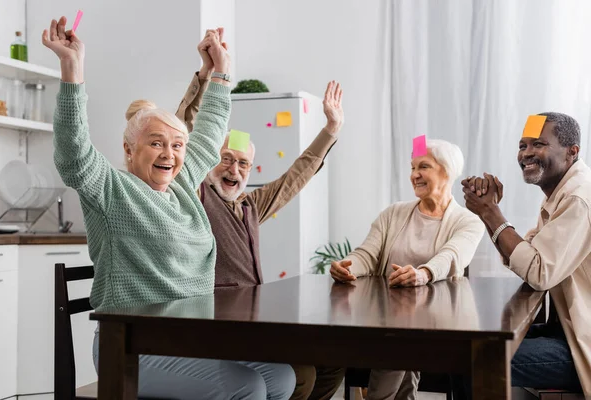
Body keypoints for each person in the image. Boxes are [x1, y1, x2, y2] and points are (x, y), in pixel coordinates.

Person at [42, 17, 294, 399]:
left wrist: (221, 73)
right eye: (156, 143)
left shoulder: (181, 188)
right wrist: (72, 69)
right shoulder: (112, 189)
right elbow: (74, 153)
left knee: (282, 377)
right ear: (129, 150)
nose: (170, 153)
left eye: (177, 145)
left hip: (189, 339)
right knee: (248, 387)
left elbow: (209, 137)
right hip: (131, 346)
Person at [175, 40, 344, 399]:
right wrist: (205, 76)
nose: (234, 170)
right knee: (301, 377)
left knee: (333, 363)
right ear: (208, 160)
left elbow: (294, 178)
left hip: (255, 324)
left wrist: (330, 130)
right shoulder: (196, 196)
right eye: (226, 159)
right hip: (219, 327)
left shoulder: (250, 205)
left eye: (243, 164)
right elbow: (185, 136)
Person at [330, 139, 485, 400]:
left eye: (423, 166)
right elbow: (367, 254)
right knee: (399, 341)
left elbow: (451, 257)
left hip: (439, 325)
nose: (414, 175)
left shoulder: (468, 221)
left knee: (398, 346)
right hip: (389, 321)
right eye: (412, 167)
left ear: (446, 171)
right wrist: (347, 266)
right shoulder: (394, 213)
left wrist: (423, 273)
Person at [463, 112, 590, 396]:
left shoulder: (577, 199)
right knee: (471, 344)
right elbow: (526, 257)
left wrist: (490, 213)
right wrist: (490, 212)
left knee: (476, 359)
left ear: (572, 152)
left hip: (582, 341)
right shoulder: (559, 194)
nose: (527, 154)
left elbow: (537, 272)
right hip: (567, 331)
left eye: (539, 144)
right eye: (523, 146)